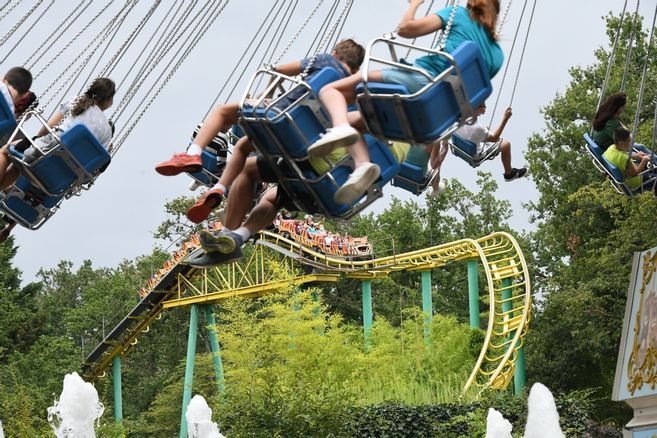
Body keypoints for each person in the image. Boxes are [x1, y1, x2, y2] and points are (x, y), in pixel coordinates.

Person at [306, 0, 504, 205]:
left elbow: (406, 29)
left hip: (420, 83)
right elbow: (472, 90)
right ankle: (362, 165)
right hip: (437, 117)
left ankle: (338, 129)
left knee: (332, 90)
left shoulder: (458, 14)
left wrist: (414, 5)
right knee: (350, 119)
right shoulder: (498, 56)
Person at [155, 39, 366, 223]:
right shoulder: (350, 89)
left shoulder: (326, 61)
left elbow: (278, 71)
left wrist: (267, 95)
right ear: (355, 69)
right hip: (304, 140)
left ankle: (193, 155)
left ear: (336, 53)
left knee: (222, 113)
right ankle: (221, 194)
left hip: (280, 117)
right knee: (243, 145)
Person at [0, 78, 116, 241]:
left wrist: (34, 138)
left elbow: (46, 129)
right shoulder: (107, 131)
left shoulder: (76, 101)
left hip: (43, 155)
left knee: (7, 151)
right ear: (109, 100)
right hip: (61, 180)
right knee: (19, 166)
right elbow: (96, 164)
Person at [453, 103, 527, 181]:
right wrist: (505, 118)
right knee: (506, 144)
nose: (486, 107)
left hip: (461, 147)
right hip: (475, 155)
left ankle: (485, 136)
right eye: (484, 105)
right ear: (477, 108)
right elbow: (494, 138)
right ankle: (509, 174)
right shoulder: (477, 128)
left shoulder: (458, 118)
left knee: (486, 128)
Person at [602, 126, 656, 194]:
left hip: (626, 172)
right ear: (621, 143)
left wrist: (636, 155)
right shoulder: (624, 159)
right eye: (629, 141)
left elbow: (621, 154)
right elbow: (635, 173)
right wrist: (644, 160)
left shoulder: (611, 148)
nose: (631, 143)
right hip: (635, 183)